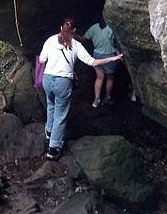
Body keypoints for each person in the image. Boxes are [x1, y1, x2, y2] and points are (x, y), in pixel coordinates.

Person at [39, 18, 122, 160]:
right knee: (61, 114)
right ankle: (53, 148)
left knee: (51, 105)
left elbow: (41, 60)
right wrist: (113, 59)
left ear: (60, 27)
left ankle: (48, 131)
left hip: (47, 79)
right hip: (63, 81)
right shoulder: (76, 45)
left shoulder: (50, 40)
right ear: (74, 31)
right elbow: (93, 61)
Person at [83, 17, 120, 108]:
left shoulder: (94, 27)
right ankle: (107, 97)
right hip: (110, 56)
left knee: (99, 78)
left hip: (97, 56)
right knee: (110, 78)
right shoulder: (111, 29)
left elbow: (84, 37)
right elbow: (116, 42)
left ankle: (96, 99)